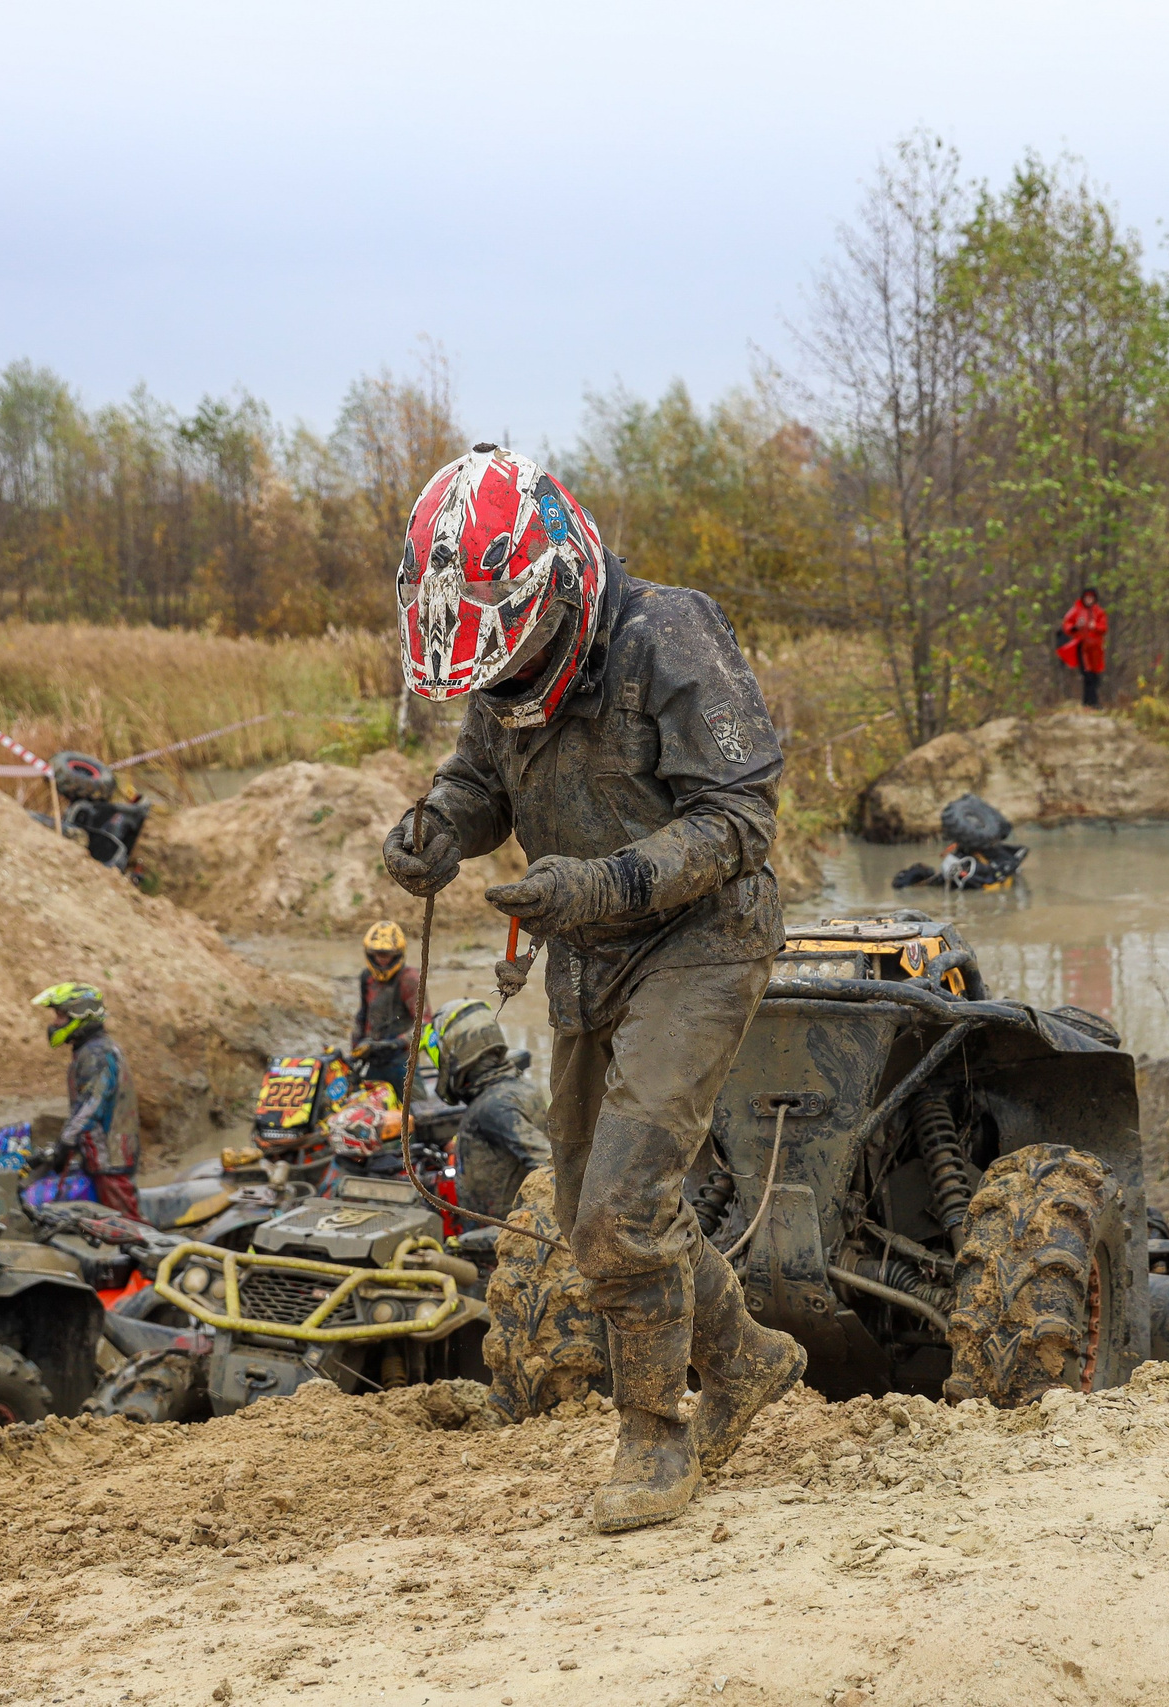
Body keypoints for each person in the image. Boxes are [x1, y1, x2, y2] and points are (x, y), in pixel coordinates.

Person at [380, 443, 805, 1534]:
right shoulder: (503, 667)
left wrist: (606, 882)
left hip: (701, 937)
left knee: (623, 1204)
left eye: (514, 658)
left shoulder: (670, 635)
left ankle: (655, 1433)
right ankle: (744, 1358)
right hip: (587, 946)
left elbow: (740, 818)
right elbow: (480, 779)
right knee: (584, 1215)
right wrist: (440, 828)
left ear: (563, 587)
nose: (503, 683)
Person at [421, 997, 551, 1225]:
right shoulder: (522, 1087)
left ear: (455, 1052)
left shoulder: (492, 1106)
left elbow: (547, 1165)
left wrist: (523, 1225)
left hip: (495, 1232)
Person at [32, 983, 141, 1217]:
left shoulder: (98, 1054)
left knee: (125, 1221)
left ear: (80, 1017)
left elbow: (92, 1104)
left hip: (110, 1154)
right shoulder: (90, 1050)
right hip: (101, 1152)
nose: (55, 1023)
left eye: (61, 1016)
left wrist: (66, 1142)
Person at [350, 918, 425, 1103]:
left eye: (387, 955)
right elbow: (362, 1015)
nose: (382, 959)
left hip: (401, 1061)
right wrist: (356, 1048)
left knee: (418, 1109)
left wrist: (395, 1043)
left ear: (397, 954)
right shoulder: (366, 978)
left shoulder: (409, 979)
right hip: (373, 1059)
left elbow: (425, 1024)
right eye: (377, 954)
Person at [1057, 587, 1109, 708]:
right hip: (1082, 646)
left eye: (1091, 597)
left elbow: (1104, 628)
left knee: (1095, 675)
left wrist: (1095, 626)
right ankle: (1091, 702)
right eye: (1087, 597)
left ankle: (1089, 702)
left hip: (1096, 648)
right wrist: (1076, 626)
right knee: (1087, 674)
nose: (1089, 600)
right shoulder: (1076, 610)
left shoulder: (1099, 612)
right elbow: (1067, 625)